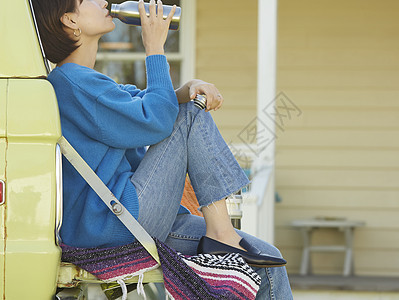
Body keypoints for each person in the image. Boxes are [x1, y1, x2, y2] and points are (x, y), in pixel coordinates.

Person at [31, 0, 293, 298]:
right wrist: (154, 47)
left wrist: (184, 90)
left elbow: (138, 102)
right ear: (69, 20)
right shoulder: (71, 82)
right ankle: (221, 234)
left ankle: (222, 237)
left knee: (266, 260)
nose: (103, 1)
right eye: (86, 0)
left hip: (131, 218)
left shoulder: (83, 82)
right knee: (189, 114)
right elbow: (154, 120)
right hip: (115, 221)